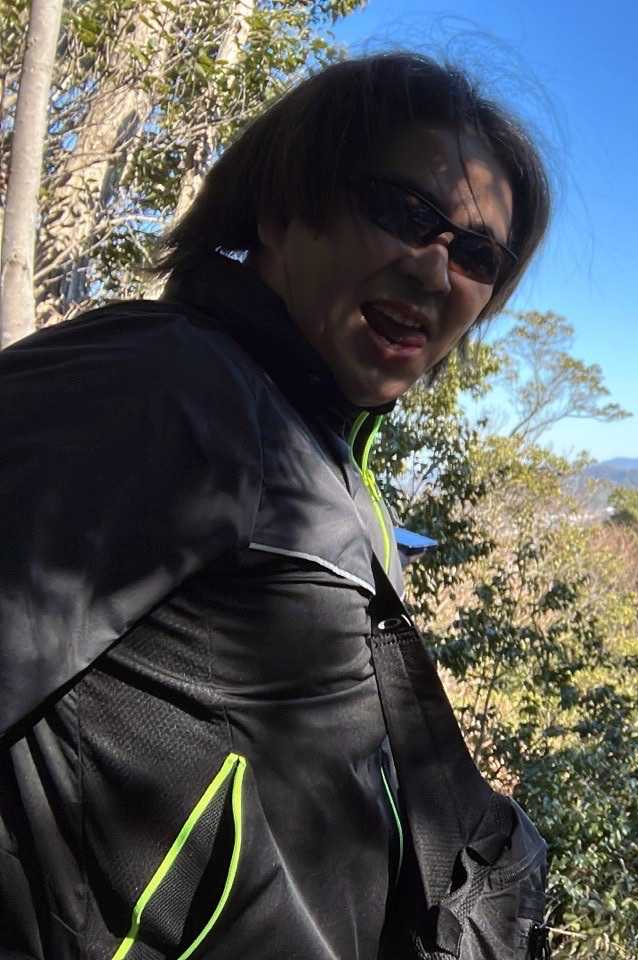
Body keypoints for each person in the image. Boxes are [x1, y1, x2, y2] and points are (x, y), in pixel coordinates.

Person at [0, 53, 550, 959]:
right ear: (282, 207)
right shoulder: (161, 386)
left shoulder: (320, 445)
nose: (435, 269)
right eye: (404, 212)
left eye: (477, 255)